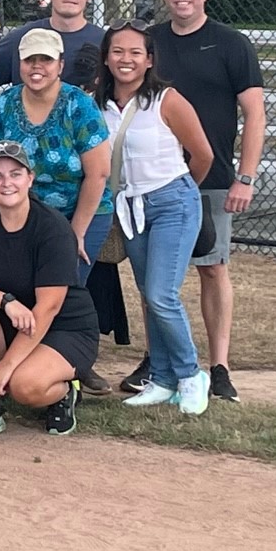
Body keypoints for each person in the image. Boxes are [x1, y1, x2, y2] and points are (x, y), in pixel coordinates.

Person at [137, 0, 267, 404]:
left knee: (212, 268)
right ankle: (159, 360)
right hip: (154, 176)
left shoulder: (231, 44)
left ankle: (219, 365)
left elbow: (255, 114)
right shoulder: (150, 42)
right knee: (154, 275)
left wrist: (244, 178)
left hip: (209, 177)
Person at [0, 26, 115, 394]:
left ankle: (73, 364)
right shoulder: (5, 104)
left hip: (79, 210)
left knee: (65, 292)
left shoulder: (77, 104)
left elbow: (98, 172)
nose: (36, 67)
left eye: (45, 59)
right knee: (25, 286)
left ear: (60, 64)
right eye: (29, 60)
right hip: (22, 213)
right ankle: (29, 364)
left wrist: (76, 233)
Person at [0, 142, 101, 441]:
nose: (6, 182)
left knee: (24, 387)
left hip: (62, 327)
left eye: (15, 174)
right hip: (11, 320)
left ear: (30, 178)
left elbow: (48, 307)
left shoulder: (52, 226)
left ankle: (65, 391)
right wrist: (5, 301)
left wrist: (7, 366)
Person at [96, 23, 215, 415]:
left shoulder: (166, 100)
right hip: (130, 207)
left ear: (149, 60)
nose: (125, 60)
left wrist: (178, 193)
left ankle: (191, 374)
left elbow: (203, 156)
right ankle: (162, 378)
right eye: (117, 51)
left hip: (171, 201)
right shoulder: (96, 102)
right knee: (149, 295)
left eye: (134, 53)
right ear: (106, 56)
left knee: (163, 294)